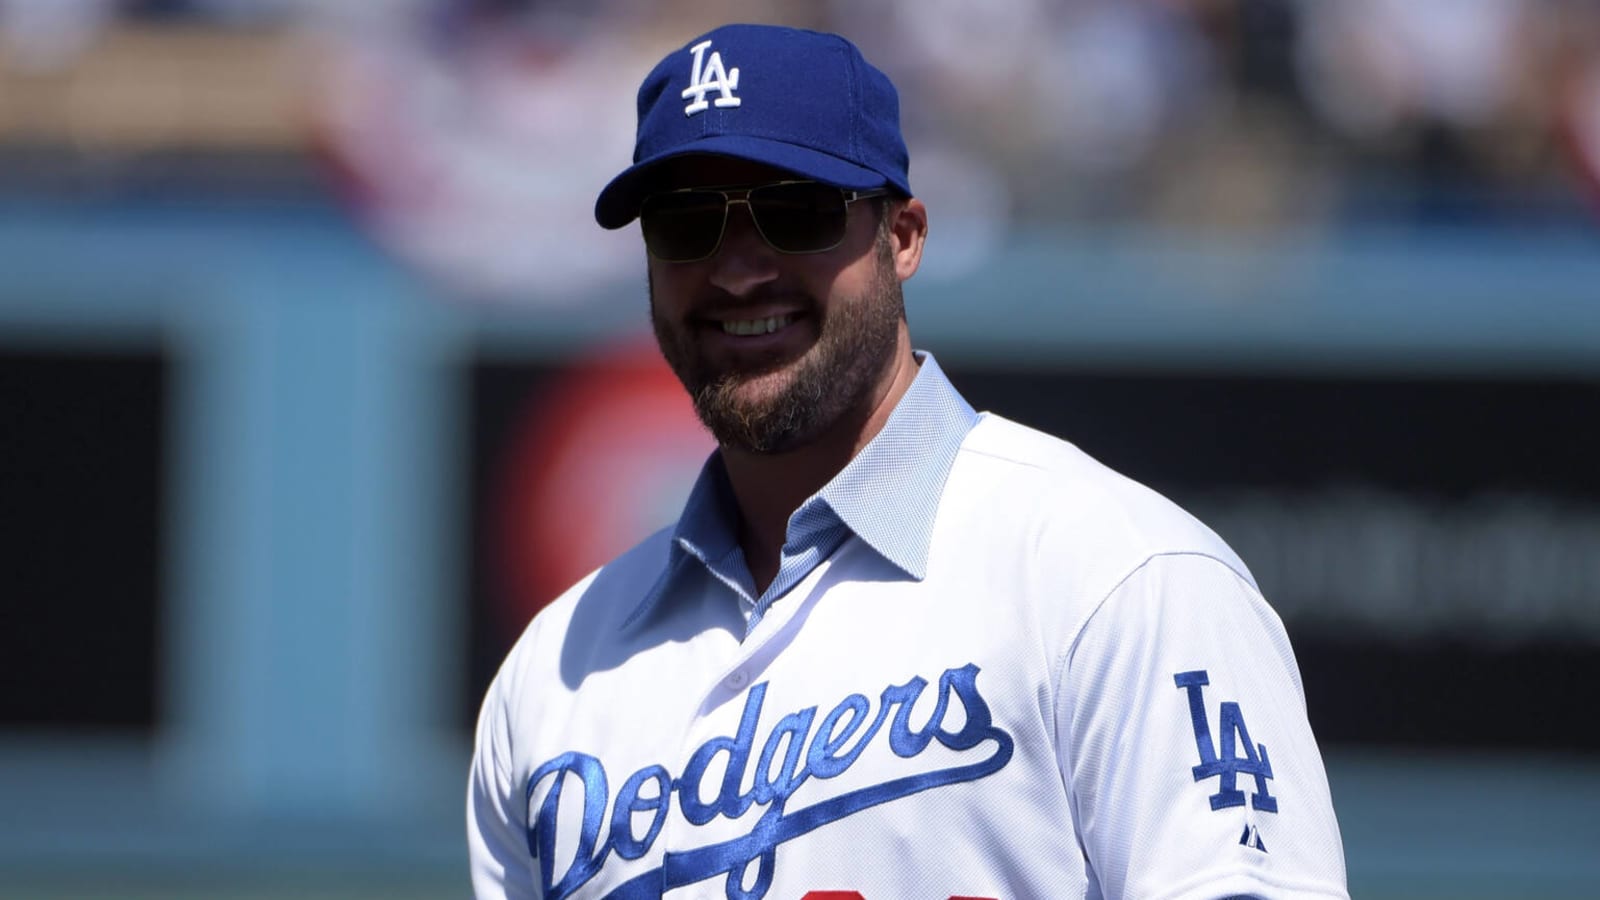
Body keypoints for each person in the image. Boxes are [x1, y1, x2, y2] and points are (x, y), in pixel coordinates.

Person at [468, 23, 1347, 900]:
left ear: (904, 237)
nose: (736, 271)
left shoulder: (1116, 575)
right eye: (687, 222)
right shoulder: (553, 672)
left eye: (794, 211)